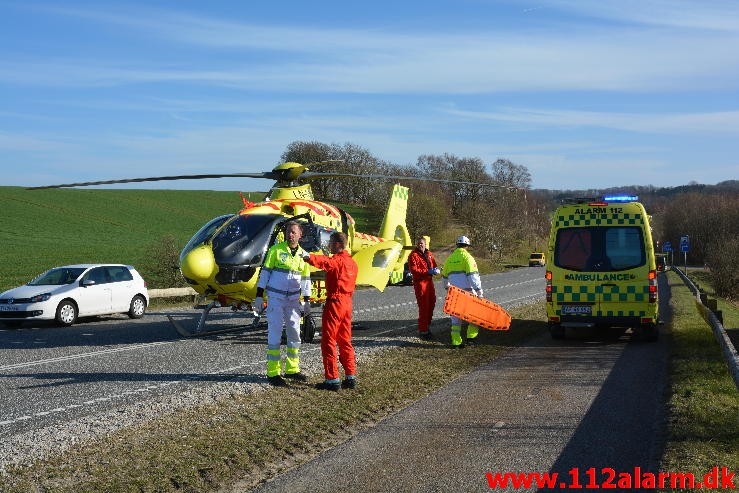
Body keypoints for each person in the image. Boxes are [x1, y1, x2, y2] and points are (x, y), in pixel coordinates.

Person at [254, 221, 312, 386]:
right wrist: (259, 295)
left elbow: (306, 280)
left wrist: (307, 301)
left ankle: (292, 369)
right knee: (275, 334)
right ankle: (273, 373)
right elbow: (265, 273)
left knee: (294, 333)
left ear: (300, 235)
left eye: (293, 232)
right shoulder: (276, 250)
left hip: (293, 301)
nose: (290, 234)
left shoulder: (304, 255)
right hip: (276, 299)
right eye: (288, 231)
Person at [303, 232, 359, 391]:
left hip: (335, 302)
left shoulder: (338, 260)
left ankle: (332, 379)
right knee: (345, 340)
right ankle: (350, 376)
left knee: (328, 340)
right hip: (347, 302)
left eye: (331, 242)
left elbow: (325, 262)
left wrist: (308, 257)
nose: (328, 245)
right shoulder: (352, 263)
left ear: (337, 244)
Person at [441, 235, 483, 348]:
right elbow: (473, 277)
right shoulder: (468, 258)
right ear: (467, 246)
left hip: (454, 294)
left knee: (455, 321)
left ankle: (456, 343)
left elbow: (444, 277)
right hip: (468, 293)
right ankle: (471, 339)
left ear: (457, 245)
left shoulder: (449, 259)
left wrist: (447, 288)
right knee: (474, 317)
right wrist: (479, 291)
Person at [408, 235, 440, 339]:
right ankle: (423, 330)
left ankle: (427, 324)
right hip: (420, 283)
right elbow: (414, 270)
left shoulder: (429, 254)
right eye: (418, 243)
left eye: (421, 243)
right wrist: (427, 271)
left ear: (425, 244)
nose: (420, 245)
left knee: (432, 302)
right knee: (424, 306)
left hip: (429, 282)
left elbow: (434, 265)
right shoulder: (413, 255)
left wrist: (436, 270)